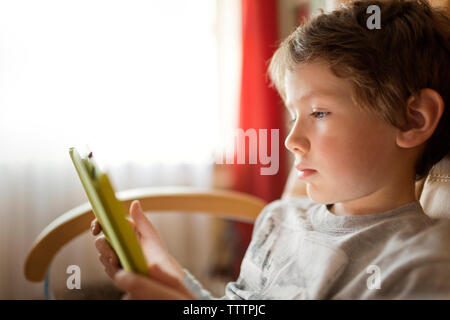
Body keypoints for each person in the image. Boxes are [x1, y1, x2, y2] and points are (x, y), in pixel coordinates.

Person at [92, 0, 450, 299]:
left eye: (319, 112)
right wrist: (165, 272)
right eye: (294, 115)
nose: (291, 139)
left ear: (412, 119)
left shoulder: (420, 266)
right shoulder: (279, 220)